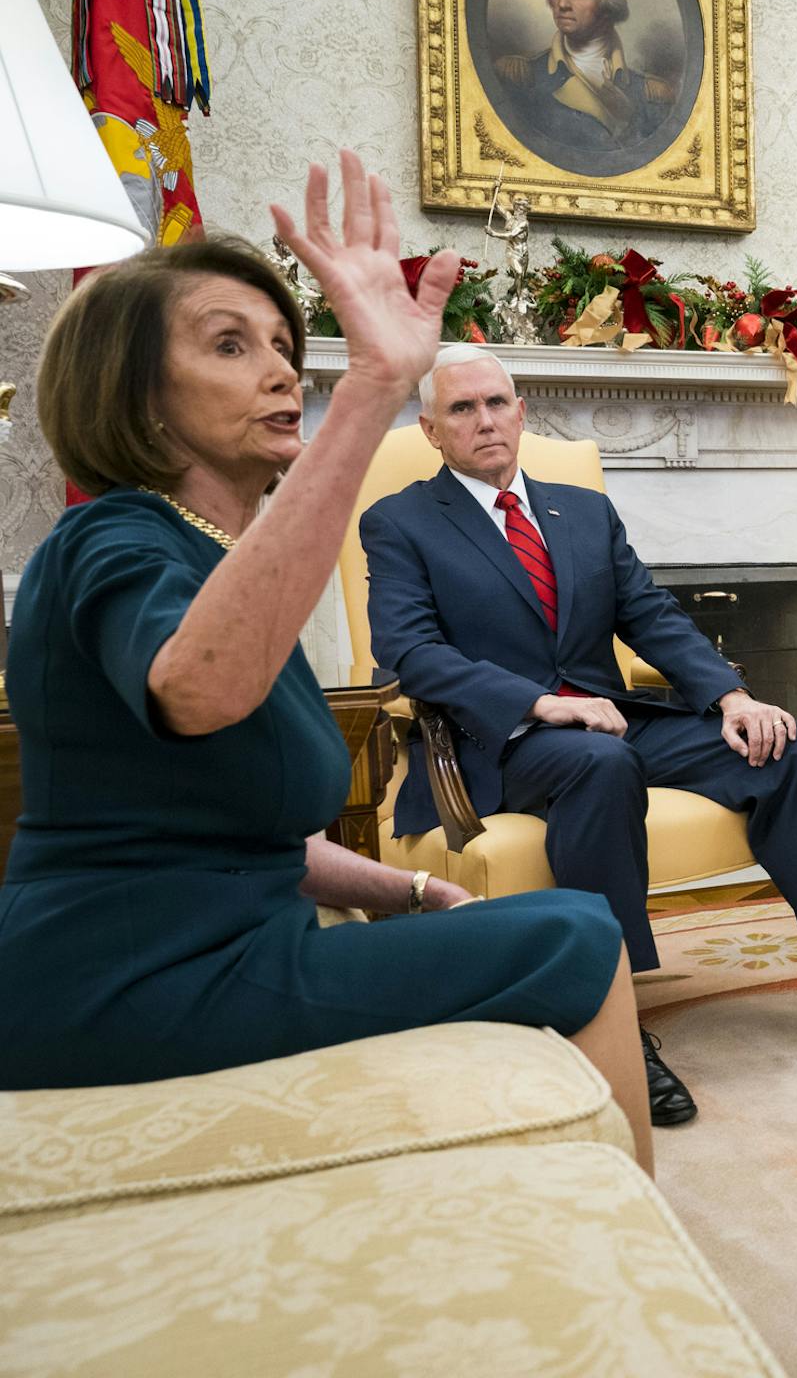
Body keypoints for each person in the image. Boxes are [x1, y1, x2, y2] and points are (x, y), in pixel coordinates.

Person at [0, 155, 659, 1174]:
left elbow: (248, 829)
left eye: (279, 342)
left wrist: (413, 894)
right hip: (127, 980)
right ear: (134, 394)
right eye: (229, 345)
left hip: (214, 956)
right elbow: (200, 691)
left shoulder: (219, 560)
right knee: (576, 934)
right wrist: (374, 390)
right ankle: (625, 1253)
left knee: (533, 921)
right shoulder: (112, 541)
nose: (278, 370)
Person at [360, 344, 797, 1127]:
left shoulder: (578, 510)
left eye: (498, 404)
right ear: (431, 430)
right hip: (497, 743)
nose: (486, 421)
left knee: (785, 746)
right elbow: (409, 654)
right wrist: (541, 706)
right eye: (462, 409)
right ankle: (616, 1024)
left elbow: (649, 614)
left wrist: (732, 696)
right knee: (599, 764)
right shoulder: (402, 521)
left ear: (521, 412)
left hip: (612, 723)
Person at [493, 0, 677, 156]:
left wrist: (626, 118)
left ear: (607, 6)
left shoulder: (651, 95)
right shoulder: (520, 77)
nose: (562, 4)